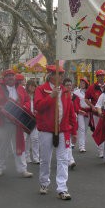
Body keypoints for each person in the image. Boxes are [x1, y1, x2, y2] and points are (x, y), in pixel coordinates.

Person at [34, 65, 77, 200]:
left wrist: (74, 131)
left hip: (63, 130)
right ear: (51, 75)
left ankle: (62, 188)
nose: (61, 77)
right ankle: (44, 183)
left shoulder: (65, 91)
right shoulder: (41, 89)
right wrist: (51, 96)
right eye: (59, 74)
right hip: (46, 130)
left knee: (63, 159)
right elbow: (38, 107)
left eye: (62, 74)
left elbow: (70, 112)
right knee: (45, 159)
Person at [0, 69, 33, 178]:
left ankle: (22, 169)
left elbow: (27, 100)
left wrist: (25, 106)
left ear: (15, 77)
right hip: (3, 122)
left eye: (12, 75)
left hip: (17, 123)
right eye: (8, 76)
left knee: (19, 146)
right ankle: (0, 168)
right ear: (4, 78)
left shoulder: (21, 89)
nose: (10, 77)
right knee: (2, 146)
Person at [85, 69, 105, 158]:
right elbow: (86, 99)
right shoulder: (92, 87)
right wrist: (92, 106)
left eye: (103, 76)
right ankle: (101, 151)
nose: (102, 77)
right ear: (97, 77)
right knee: (100, 131)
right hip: (97, 114)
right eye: (100, 76)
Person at [23, 79, 40, 164]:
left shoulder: (37, 95)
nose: (33, 87)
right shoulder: (24, 95)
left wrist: (38, 111)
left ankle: (36, 157)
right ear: (28, 86)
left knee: (35, 139)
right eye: (31, 85)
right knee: (26, 139)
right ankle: (27, 157)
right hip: (26, 119)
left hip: (35, 119)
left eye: (34, 86)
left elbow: (40, 105)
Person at [63, 78, 78, 170]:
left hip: (68, 124)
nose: (69, 86)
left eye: (70, 84)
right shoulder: (60, 96)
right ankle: (66, 159)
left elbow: (72, 115)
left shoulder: (72, 97)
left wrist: (74, 132)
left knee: (67, 143)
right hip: (57, 125)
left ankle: (70, 160)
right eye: (67, 84)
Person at [73, 78, 91, 152]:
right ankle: (81, 147)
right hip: (80, 111)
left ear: (86, 84)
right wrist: (78, 110)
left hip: (88, 112)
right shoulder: (76, 92)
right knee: (81, 128)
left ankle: (79, 143)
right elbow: (74, 102)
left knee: (85, 129)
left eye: (83, 83)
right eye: (81, 83)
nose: (82, 84)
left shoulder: (89, 92)